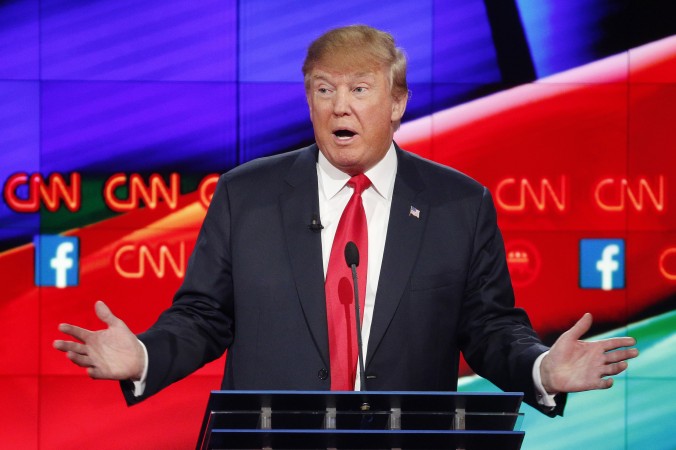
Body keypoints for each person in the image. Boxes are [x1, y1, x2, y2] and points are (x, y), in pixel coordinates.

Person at [54, 25, 638, 417]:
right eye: (324, 89)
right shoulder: (246, 195)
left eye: (360, 89)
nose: (341, 106)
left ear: (397, 103)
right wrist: (146, 358)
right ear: (309, 101)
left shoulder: (457, 203)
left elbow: (488, 328)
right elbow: (204, 317)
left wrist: (540, 367)